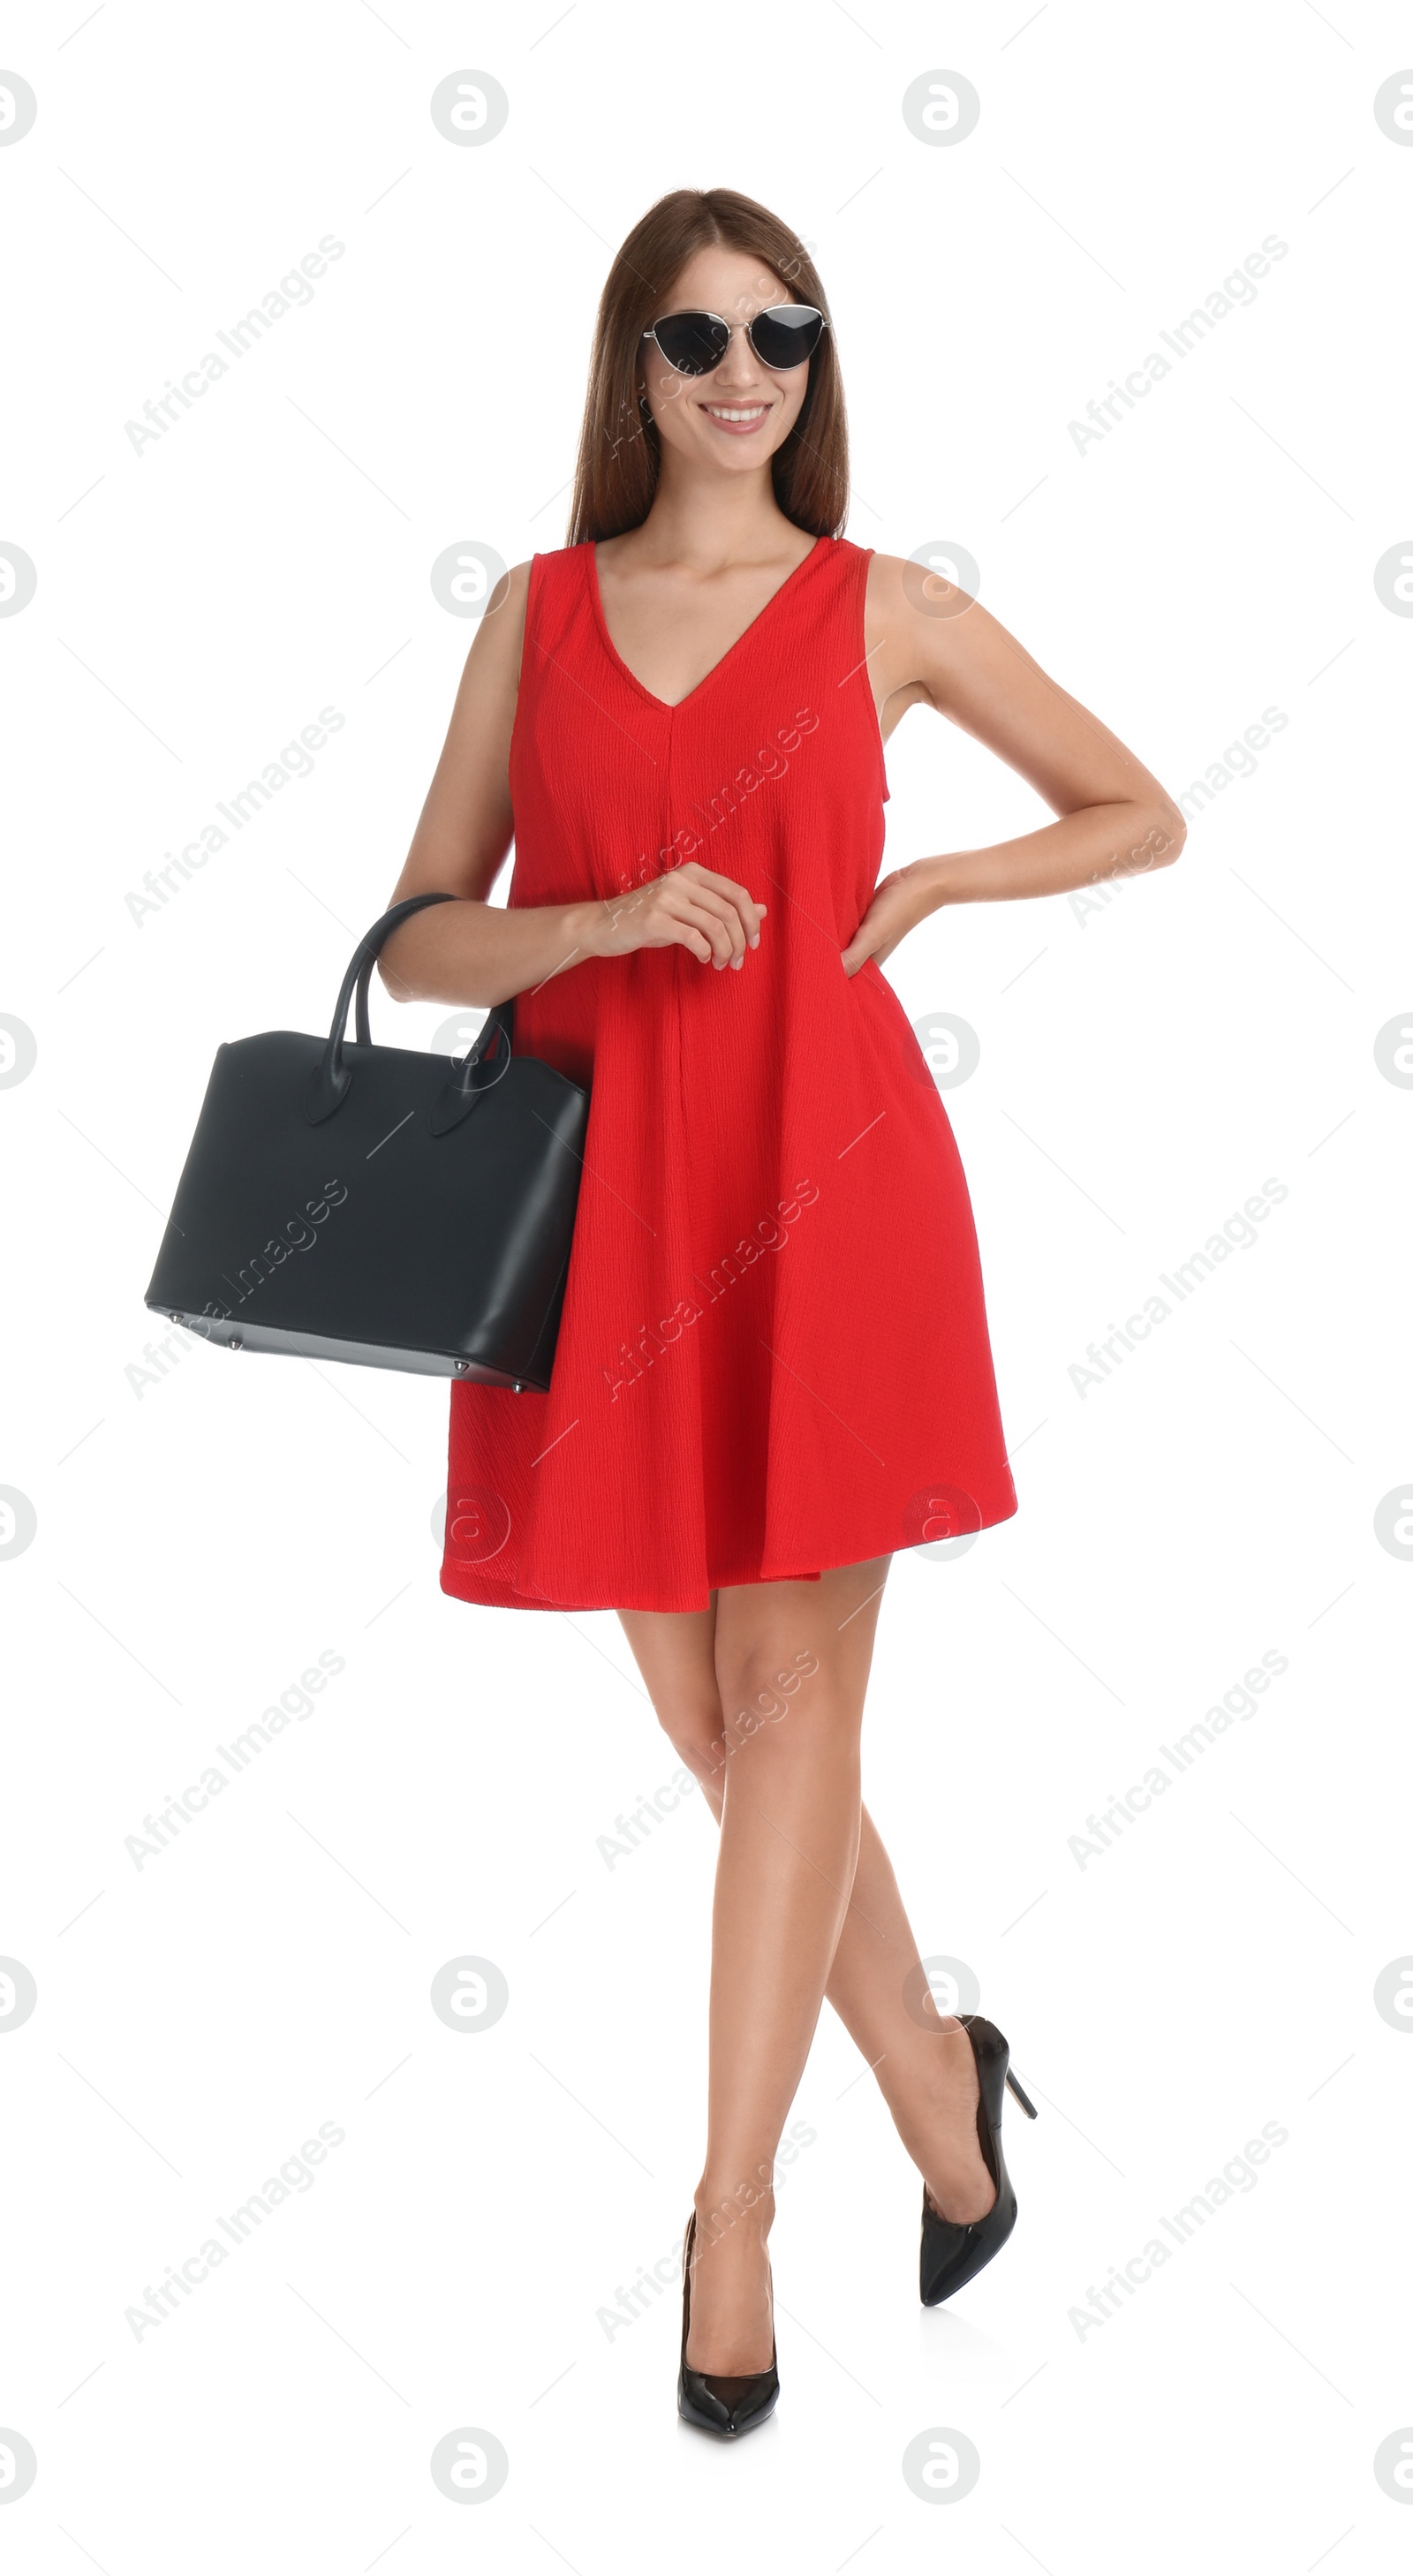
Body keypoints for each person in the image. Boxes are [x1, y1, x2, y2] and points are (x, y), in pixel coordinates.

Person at [379, 186, 1184, 2437]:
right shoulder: (535, 618)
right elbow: (422, 931)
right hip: (601, 1219)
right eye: (696, 333)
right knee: (728, 1740)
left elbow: (1140, 811)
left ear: (814, 367)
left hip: (830, 1192)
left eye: (783, 332)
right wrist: (602, 919)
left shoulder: (888, 607)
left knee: (784, 1688)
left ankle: (728, 2219)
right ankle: (941, 2084)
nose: (743, 370)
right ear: (629, 368)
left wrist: (936, 872)